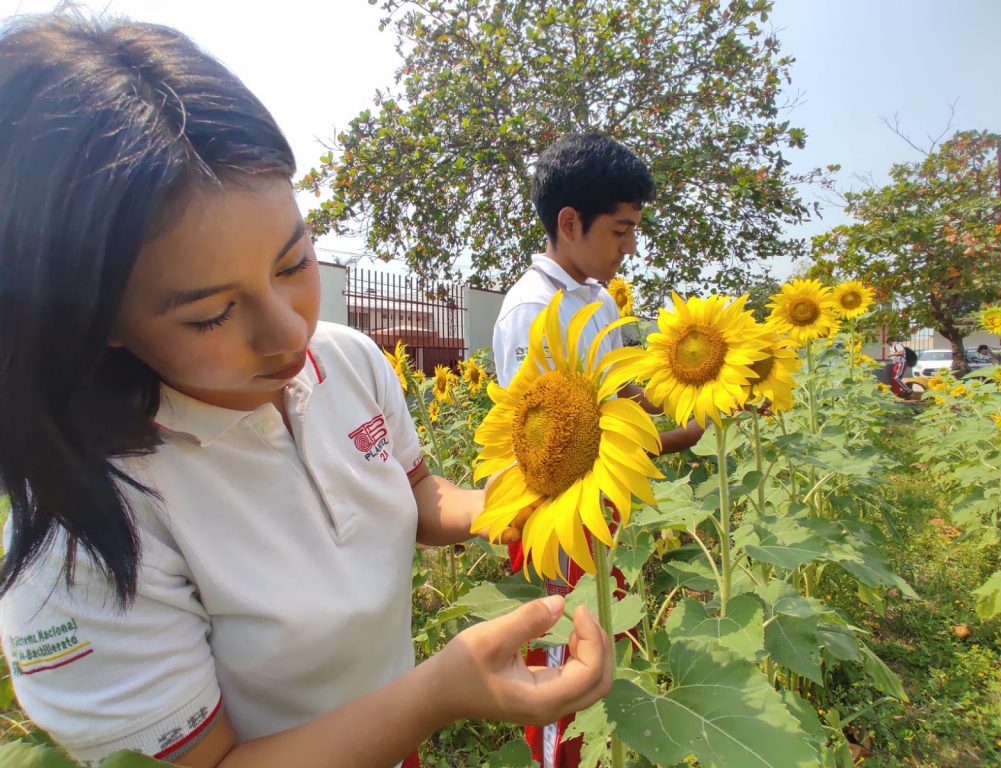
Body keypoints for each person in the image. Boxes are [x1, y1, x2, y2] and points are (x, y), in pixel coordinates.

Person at [0, 14, 612, 768]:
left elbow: (415, 493)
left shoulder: (347, 360)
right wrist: (435, 696)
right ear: (94, 318)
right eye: (212, 314)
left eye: (294, 263)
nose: (287, 332)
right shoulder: (88, 537)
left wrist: (508, 503)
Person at [492, 133, 704, 768]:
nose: (631, 245)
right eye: (621, 229)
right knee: (564, 669)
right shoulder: (535, 311)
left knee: (604, 648)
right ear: (569, 222)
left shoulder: (591, 296)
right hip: (557, 517)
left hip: (597, 506)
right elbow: (553, 450)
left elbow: (623, 396)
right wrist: (676, 440)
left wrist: (697, 392)